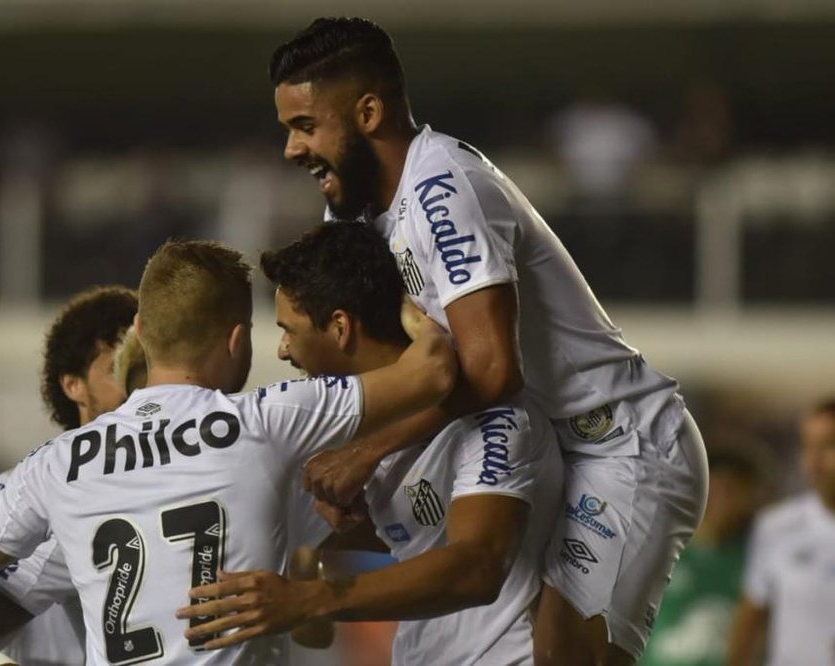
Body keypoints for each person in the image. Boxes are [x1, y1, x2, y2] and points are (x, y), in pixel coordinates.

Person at [269, 17, 709, 664]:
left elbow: (492, 368)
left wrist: (368, 451)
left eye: (305, 126)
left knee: (566, 655)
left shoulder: (445, 190)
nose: (291, 149)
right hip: (542, 442)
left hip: (619, 443)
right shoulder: (352, 207)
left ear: (368, 112)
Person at [0, 239, 457, 665]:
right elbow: (434, 367)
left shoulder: (58, 463)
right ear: (237, 340)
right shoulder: (270, 422)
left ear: (142, 335)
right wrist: (403, 300)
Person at [180, 222, 562, 665]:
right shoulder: (355, 446)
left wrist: (309, 598)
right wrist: (324, 536)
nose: (283, 351)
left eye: (289, 329)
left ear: (340, 328)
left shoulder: (497, 422)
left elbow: (477, 568)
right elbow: (321, 627)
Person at [0, 285, 137, 665]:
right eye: (117, 368)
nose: (136, 383)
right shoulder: (16, 490)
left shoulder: (164, 478)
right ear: (73, 386)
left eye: (143, 366)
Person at [728, 399, 835, 665]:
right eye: (808, 446)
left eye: (829, 445)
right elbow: (748, 624)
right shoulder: (776, 527)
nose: (815, 460)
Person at [642, 449, 766, 666]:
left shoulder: (757, 561)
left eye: (732, 492)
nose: (722, 502)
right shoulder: (656, 553)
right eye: (715, 490)